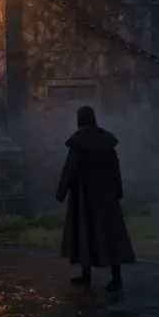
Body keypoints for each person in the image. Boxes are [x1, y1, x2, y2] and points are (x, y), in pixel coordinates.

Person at [56, 105, 136, 292]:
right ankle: (116, 277)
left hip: (85, 196)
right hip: (107, 194)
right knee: (111, 234)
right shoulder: (105, 140)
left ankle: (87, 275)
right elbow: (115, 167)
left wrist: (61, 192)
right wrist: (118, 189)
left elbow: (70, 168)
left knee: (86, 233)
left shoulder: (79, 141)